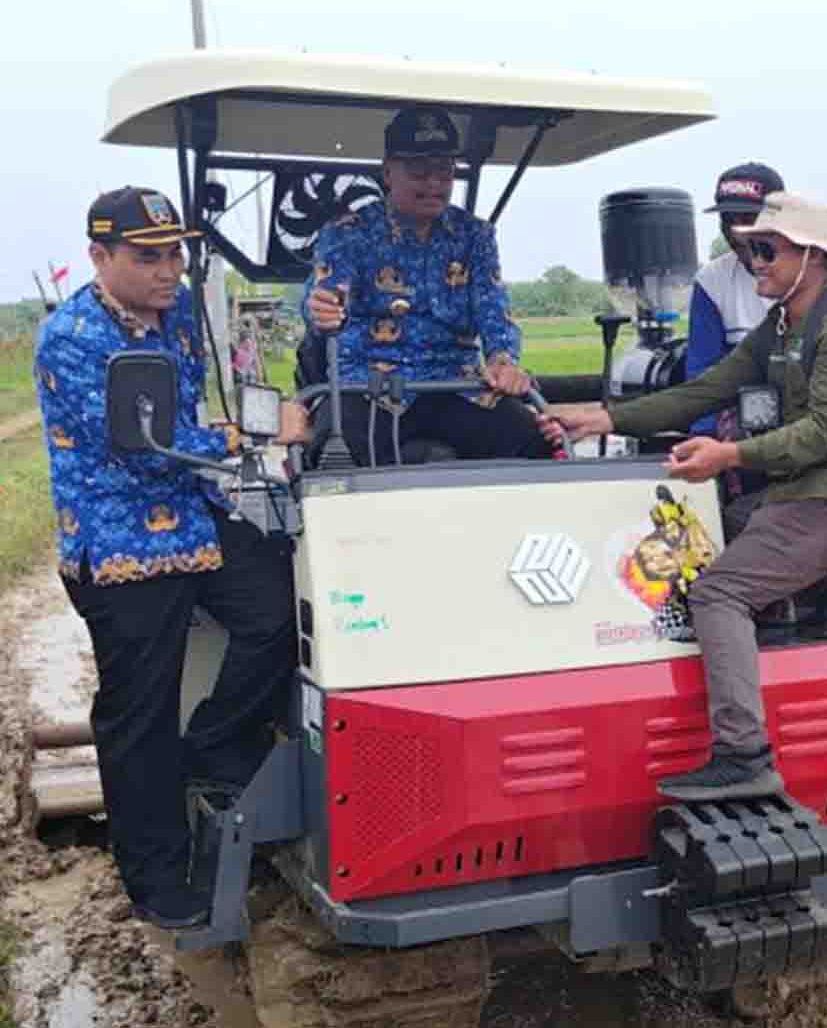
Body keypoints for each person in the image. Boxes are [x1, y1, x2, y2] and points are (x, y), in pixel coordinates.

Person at [544, 192, 827, 801]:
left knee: (718, 591)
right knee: (705, 539)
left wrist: (728, 456)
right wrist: (604, 419)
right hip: (802, 492)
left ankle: (744, 754)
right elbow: (706, 389)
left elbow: (823, 435)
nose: (753, 259)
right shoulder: (782, 323)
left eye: (767, 249)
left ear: (811, 257)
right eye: (750, 247)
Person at [36, 187, 311, 929]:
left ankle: (214, 750)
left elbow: (192, 413)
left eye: (175, 253)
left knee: (282, 608)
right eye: (147, 256)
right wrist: (251, 435)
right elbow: (148, 443)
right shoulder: (72, 337)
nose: (168, 270)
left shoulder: (181, 312)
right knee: (138, 717)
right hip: (121, 544)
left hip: (193, 519)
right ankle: (154, 874)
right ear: (99, 257)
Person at [689, 163, 827, 631]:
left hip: (813, 411)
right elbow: (704, 374)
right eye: (727, 221)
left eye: (748, 221)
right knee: (741, 505)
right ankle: (767, 593)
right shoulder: (712, 282)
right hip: (744, 409)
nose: (738, 234)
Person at [300, 105, 551, 466]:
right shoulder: (348, 233)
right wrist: (322, 309)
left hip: (456, 386)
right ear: (389, 172)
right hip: (370, 388)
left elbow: (493, 309)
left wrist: (503, 361)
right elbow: (327, 294)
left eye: (444, 172)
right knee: (332, 455)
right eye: (419, 171)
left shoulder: (475, 236)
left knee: (533, 440)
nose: (433, 184)